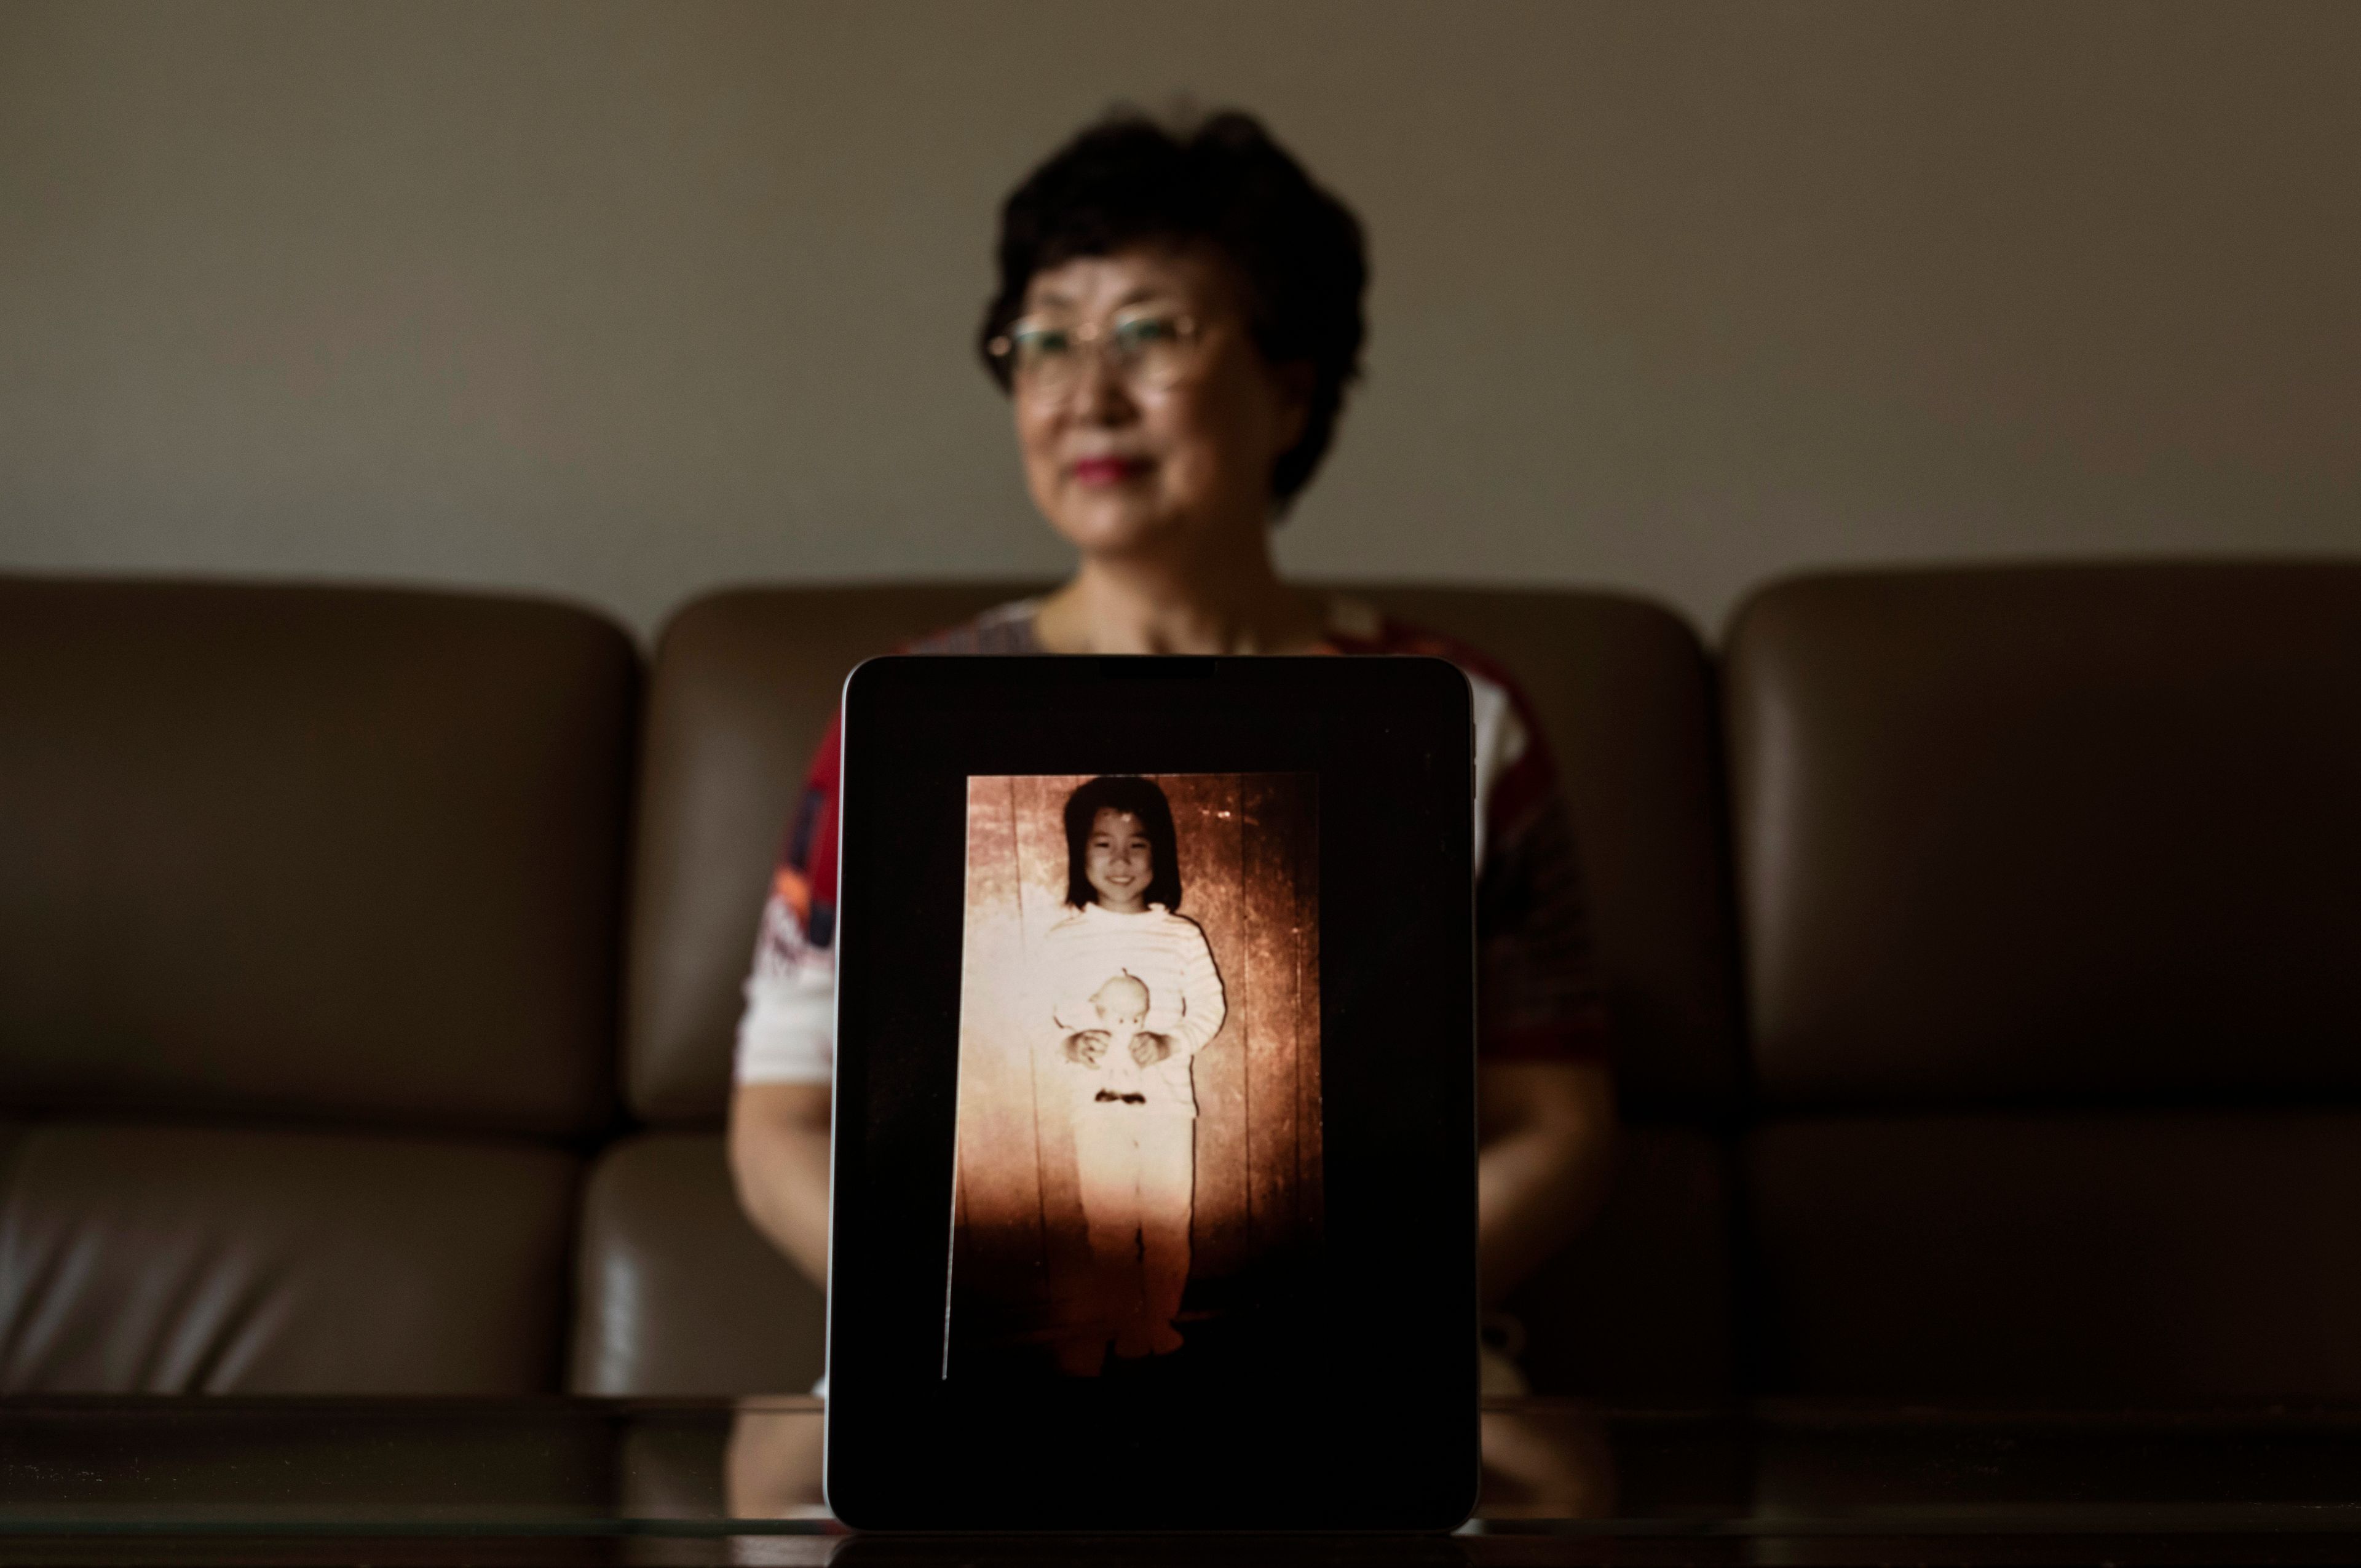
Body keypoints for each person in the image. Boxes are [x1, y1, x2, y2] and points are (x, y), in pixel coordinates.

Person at [729, 107, 1616, 1393]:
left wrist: (1330, 1313)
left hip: (1362, 1369)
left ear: (1291, 386)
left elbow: (1558, 1122)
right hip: (982, 1368)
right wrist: (958, 1310)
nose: (1086, 392)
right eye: (1044, 341)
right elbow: (780, 1121)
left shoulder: (1456, 715)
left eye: (1150, 332)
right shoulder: (911, 715)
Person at [1036, 777, 1225, 1369]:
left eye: (1136, 844)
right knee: (1110, 1225)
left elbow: (1210, 1009)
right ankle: (1120, 1321)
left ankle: (1158, 1322)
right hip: (1096, 1108)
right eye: (1102, 844)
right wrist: (1068, 1044)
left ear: (1158, 854)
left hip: (1168, 1106)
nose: (1120, 860)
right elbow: (1032, 1015)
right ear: (1079, 853)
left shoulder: (1181, 936)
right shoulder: (1063, 938)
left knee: (1170, 1222)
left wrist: (1172, 1040)